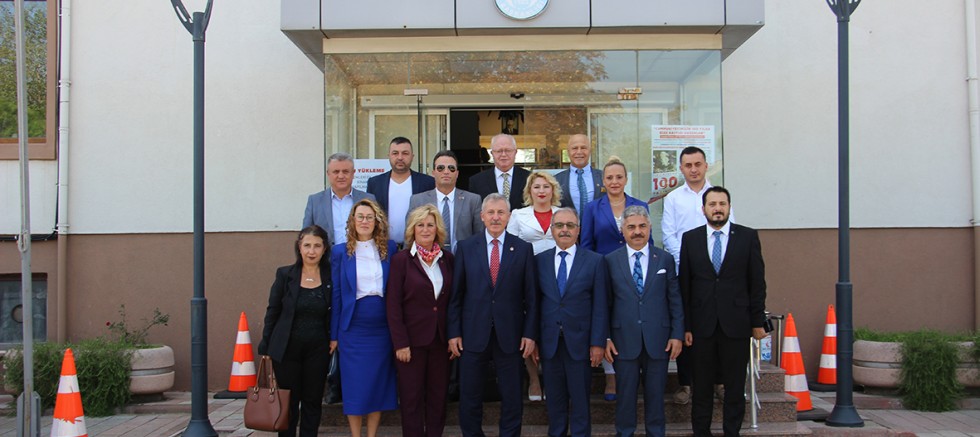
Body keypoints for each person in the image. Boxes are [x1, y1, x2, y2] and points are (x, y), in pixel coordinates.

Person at [448, 193, 538, 437]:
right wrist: (454, 332)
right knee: (470, 394)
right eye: (491, 212)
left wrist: (530, 334)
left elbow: (531, 298)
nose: (496, 217)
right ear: (482, 216)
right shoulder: (466, 247)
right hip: (472, 333)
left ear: (509, 217)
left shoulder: (523, 249)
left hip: (511, 335)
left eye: (501, 212)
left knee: (512, 395)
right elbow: (456, 296)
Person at [680, 186, 767, 437]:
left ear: (729, 207)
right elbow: (685, 285)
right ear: (703, 209)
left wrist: (757, 321)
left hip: (736, 324)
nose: (717, 209)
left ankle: (732, 431)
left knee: (734, 386)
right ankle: (701, 432)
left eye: (722, 204)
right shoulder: (691, 239)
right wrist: (685, 326)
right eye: (712, 204)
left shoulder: (747, 237)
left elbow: (757, 282)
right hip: (701, 326)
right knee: (702, 386)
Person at [661, 146, 733, 404]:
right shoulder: (673, 198)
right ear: (681, 168)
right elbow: (668, 234)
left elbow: (728, 229)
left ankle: (719, 381)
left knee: (718, 325)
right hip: (684, 271)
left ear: (706, 166)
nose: (693, 169)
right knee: (685, 325)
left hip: (715, 273)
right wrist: (689, 261)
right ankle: (686, 384)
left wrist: (709, 263)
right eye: (688, 165)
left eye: (698, 164)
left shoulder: (718, 196)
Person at [604, 206, 684, 437]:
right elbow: (604, 304)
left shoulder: (665, 259)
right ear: (622, 230)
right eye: (631, 227)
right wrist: (605, 337)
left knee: (656, 396)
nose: (637, 231)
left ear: (649, 227)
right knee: (625, 397)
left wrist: (677, 334)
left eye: (642, 226)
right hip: (623, 340)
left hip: (658, 340)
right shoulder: (610, 261)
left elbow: (674, 299)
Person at [534, 208, 608, 437]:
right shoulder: (539, 261)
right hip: (549, 343)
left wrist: (598, 343)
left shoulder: (595, 261)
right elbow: (534, 304)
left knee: (580, 399)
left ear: (578, 230)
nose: (564, 230)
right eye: (559, 225)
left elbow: (600, 305)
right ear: (552, 230)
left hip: (581, 343)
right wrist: (534, 339)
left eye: (570, 225)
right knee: (554, 400)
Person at [579, 155, 649, 399]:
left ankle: (632, 370)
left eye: (619, 177)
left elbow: (647, 239)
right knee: (607, 319)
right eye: (609, 177)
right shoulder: (592, 208)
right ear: (603, 181)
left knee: (629, 318)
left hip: (633, 271)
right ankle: (611, 376)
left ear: (626, 179)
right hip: (604, 271)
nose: (614, 181)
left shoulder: (640, 205)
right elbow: (586, 244)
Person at [330, 199, 398, 437]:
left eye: (370, 217)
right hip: (353, 328)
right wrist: (334, 334)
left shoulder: (390, 249)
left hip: (382, 327)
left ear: (377, 221)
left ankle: (372, 435)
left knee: (377, 383)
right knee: (355, 385)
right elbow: (337, 295)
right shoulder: (340, 252)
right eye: (360, 217)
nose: (365, 221)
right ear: (352, 220)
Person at [386, 204, 455, 437]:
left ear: (438, 229)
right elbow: (393, 305)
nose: (425, 230)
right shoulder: (401, 260)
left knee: (438, 397)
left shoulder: (448, 259)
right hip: (411, 343)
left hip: (440, 341)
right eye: (420, 225)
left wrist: (453, 336)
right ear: (412, 230)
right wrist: (400, 343)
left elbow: (453, 301)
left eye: (430, 225)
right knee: (411, 398)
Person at [257, 225, 332, 437]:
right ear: (299, 247)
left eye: (317, 246)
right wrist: (266, 345)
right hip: (287, 349)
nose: (311, 251)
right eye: (307, 245)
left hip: (318, 349)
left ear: (325, 249)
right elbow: (273, 310)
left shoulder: (331, 276)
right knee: (288, 402)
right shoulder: (285, 274)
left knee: (312, 401)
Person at [507, 170, 561, 400]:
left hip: (557, 279)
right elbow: (510, 247)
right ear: (529, 191)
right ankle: (534, 379)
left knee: (550, 328)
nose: (541, 191)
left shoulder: (562, 213)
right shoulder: (518, 215)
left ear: (553, 190)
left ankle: (551, 377)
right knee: (529, 327)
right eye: (536, 187)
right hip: (527, 278)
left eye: (546, 186)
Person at [408, 150, 484, 252]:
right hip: (427, 259)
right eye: (441, 168)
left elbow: (479, 236)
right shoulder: (418, 200)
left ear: (457, 174)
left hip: (463, 259)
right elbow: (409, 236)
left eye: (451, 168)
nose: (446, 171)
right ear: (433, 173)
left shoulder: (473, 200)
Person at [367, 137, 436, 247]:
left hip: (416, 247)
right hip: (383, 247)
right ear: (389, 156)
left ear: (412, 156)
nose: (400, 157)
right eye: (395, 153)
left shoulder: (427, 183)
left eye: (405, 153)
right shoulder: (375, 183)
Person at [304, 152, 377, 247]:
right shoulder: (315, 201)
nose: (341, 176)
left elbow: (378, 231)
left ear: (353, 173)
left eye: (345, 171)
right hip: (327, 255)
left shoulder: (368, 199)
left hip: (360, 254)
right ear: (328, 174)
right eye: (336, 172)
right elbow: (305, 235)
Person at [468, 133, 531, 211]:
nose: (503, 154)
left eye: (508, 150)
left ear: (515, 152)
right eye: (499, 151)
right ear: (492, 153)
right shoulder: (477, 181)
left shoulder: (529, 178)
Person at [554, 134, 604, 215]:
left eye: (583, 148)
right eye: (575, 148)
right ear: (568, 152)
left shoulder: (603, 177)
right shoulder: (556, 180)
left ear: (590, 151)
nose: (579, 152)